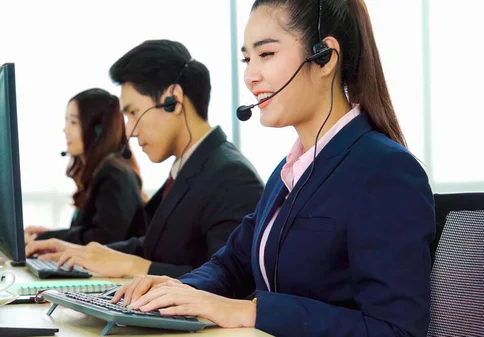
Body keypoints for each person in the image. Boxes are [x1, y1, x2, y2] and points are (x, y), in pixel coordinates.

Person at [110, 1, 436, 336]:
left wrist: (252, 312)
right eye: (247, 59)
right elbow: (231, 265)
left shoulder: (385, 171)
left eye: (266, 54)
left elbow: (396, 330)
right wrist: (175, 291)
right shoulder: (288, 172)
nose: (250, 76)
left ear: (324, 56)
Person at [25, 40, 264, 279]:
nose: (129, 131)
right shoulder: (189, 167)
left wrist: (133, 267)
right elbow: (151, 248)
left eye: (133, 112)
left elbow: (232, 284)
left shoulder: (231, 176)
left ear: (174, 100)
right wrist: (81, 251)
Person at [24, 88, 146, 246]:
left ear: (98, 131)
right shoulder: (102, 171)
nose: (65, 129)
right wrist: (49, 236)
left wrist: (48, 239)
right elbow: (87, 231)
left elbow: (104, 238)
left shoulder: (114, 174)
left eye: (73, 122)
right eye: (66, 121)